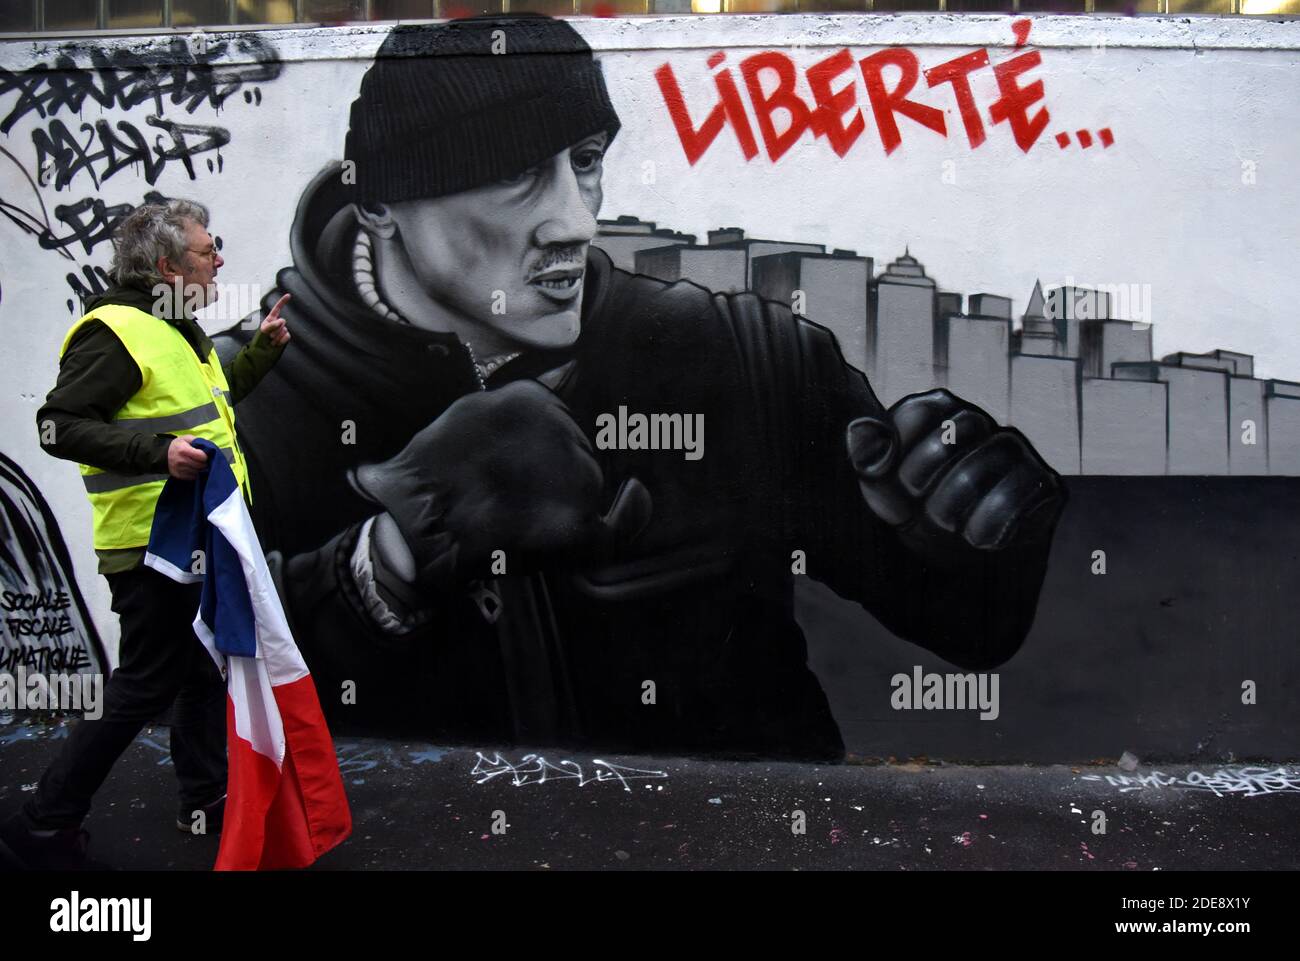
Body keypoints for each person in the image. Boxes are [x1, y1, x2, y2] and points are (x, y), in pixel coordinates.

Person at [214, 15, 1065, 761]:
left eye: (584, 162)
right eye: (515, 174)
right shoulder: (246, 400)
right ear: (381, 204)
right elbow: (194, 705)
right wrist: (391, 558)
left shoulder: (739, 354)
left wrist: (974, 518)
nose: (577, 220)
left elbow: (972, 627)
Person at [0, 200, 290, 870]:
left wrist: (261, 355)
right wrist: (157, 453)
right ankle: (43, 820)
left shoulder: (176, 329)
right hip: (151, 546)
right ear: (166, 266)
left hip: (198, 541)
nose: (219, 257)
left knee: (198, 671)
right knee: (146, 680)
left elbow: (210, 412)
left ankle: (204, 800)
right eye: (206, 247)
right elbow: (60, 425)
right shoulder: (117, 332)